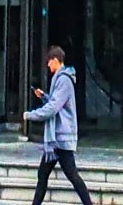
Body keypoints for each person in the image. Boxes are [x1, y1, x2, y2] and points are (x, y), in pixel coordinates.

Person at [24, 46, 93, 205]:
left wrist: (30, 115)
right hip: (57, 139)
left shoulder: (63, 80)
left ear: (55, 60)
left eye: (49, 62)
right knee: (46, 174)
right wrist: (44, 97)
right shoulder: (61, 79)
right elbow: (56, 103)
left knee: (71, 175)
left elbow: (53, 108)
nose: (48, 65)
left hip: (60, 139)